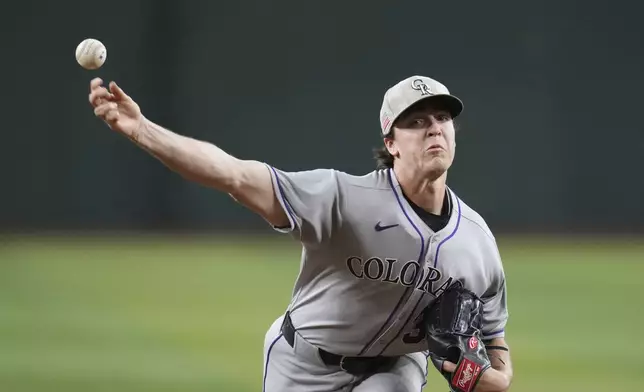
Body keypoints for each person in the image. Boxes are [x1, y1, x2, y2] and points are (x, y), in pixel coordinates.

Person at [88, 75, 514, 391]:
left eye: (442, 118)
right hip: (303, 366)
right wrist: (144, 131)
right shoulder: (342, 198)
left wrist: (482, 376)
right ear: (392, 142)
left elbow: (496, 346)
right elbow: (234, 175)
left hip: (394, 372)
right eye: (417, 121)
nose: (434, 127)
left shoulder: (476, 243)